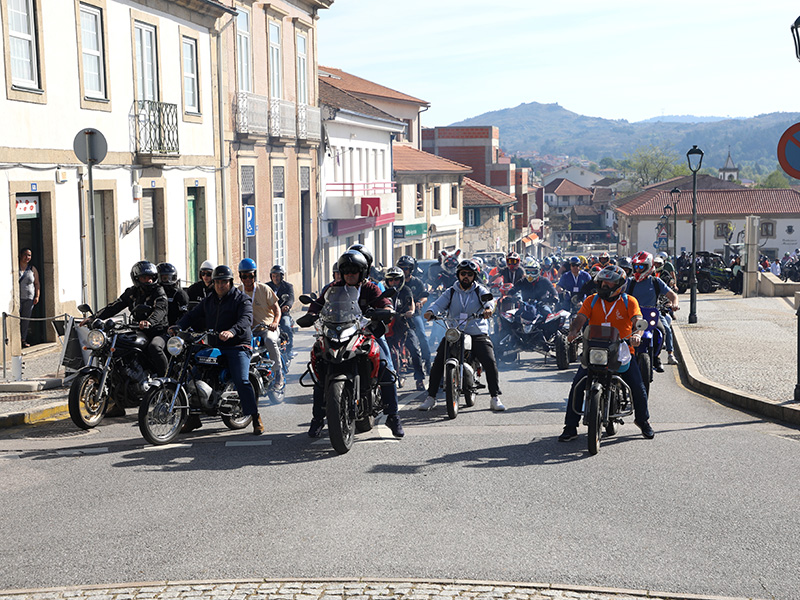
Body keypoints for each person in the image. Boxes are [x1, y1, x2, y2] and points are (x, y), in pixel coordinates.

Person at [299, 250, 405, 439]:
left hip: (366, 333)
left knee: (385, 368)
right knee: (321, 370)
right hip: (337, 333)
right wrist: (311, 314)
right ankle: (317, 418)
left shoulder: (371, 288)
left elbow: (385, 302)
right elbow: (318, 305)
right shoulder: (333, 287)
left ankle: (393, 416)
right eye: (346, 271)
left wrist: (386, 310)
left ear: (362, 272)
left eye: (353, 271)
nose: (349, 275)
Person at [559, 264, 654, 442]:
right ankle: (570, 427)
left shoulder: (629, 301)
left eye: (609, 283)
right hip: (595, 350)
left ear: (619, 285)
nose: (604, 285)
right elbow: (580, 318)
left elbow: (638, 320)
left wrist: (637, 335)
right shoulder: (591, 300)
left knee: (637, 385)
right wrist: (573, 332)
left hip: (621, 350)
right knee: (578, 384)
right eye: (602, 282)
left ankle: (643, 421)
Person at [177, 265, 263, 435]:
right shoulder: (209, 300)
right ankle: (193, 418)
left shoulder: (241, 299)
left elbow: (246, 319)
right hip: (215, 344)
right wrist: (178, 326)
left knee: (241, 379)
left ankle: (255, 417)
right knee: (192, 374)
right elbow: (192, 315)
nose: (220, 285)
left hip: (238, 345)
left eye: (224, 282)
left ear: (230, 282)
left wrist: (231, 332)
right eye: (217, 282)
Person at [80, 261, 169, 415]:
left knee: (154, 347)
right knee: (117, 354)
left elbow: (160, 310)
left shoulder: (159, 292)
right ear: (136, 278)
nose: (147, 280)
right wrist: (94, 318)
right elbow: (115, 306)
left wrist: (150, 322)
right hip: (137, 329)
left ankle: (167, 386)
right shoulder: (132, 292)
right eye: (143, 277)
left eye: (150, 277)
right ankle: (117, 403)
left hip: (157, 331)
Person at [420, 258, 505, 412]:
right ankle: (431, 397)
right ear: (458, 275)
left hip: (476, 331)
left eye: (470, 274)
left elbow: (490, 303)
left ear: (475, 276)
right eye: (463, 273)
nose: (466, 277)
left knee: (490, 360)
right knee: (438, 361)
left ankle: (494, 397)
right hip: (455, 333)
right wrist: (431, 312)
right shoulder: (451, 291)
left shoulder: (480, 290)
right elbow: (438, 304)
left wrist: (488, 310)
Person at [237, 258, 284, 395]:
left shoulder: (264, 289)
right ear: (240, 276)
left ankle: (278, 373)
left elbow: (277, 310)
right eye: (244, 276)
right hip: (249, 330)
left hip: (266, 328)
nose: (247, 279)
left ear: (254, 275)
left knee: (270, 340)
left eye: (250, 275)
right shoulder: (238, 292)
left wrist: (275, 322)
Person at [627, 251, 680, 370]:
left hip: (652, 314)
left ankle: (657, 356)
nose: (638, 269)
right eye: (636, 266)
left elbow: (673, 295)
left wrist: (674, 304)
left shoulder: (656, 281)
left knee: (663, 330)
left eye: (641, 266)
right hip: (633, 316)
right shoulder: (630, 282)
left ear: (649, 266)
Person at [384, 266, 426, 391]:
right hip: (388, 325)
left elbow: (411, 302)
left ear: (401, 280)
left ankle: (419, 379)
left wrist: (411, 311)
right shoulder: (384, 291)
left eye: (396, 280)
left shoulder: (406, 290)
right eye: (390, 280)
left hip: (404, 324)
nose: (393, 283)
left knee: (414, 349)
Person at [397, 255, 431, 372]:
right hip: (398, 315)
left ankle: (427, 362)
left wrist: (419, 303)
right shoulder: (396, 282)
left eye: (405, 268)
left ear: (411, 269)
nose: (402, 271)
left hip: (414, 315)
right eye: (400, 268)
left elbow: (424, 296)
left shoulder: (417, 282)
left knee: (422, 335)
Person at [266, 264, 295, 358]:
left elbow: (291, 298)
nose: (275, 278)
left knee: (286, 326)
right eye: (273, 276)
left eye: (277, 276)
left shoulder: (288, 286)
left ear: (282, 276)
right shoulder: (266, 287)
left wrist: (287, 306)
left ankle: (290, 350)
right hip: (269, 314)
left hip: (283, 313)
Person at [18, 247, 40, 348]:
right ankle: (16, 341)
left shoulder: (32, 269)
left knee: (25, 320)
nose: (27, 257)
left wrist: (37, 296)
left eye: (29, 255)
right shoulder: (16, 267)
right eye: (25, 255)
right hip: (17, 299)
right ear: (21, 255)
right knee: (17, 320)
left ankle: (23, 339)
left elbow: (37, 283)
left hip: (29, 298)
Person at [156, 263, 189, 327]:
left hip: (173, 327)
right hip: (157, 326)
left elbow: (184, 314)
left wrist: (177, 326)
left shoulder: (179, 293)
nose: (168, 281)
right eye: (165, 278)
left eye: (169, 278)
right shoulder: (154, 292)